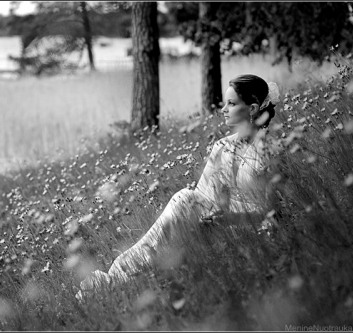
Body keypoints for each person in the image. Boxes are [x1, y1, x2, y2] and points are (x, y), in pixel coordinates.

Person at [76, 74, 280, 299]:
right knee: (185, 199)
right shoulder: (221, 146)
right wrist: (212, 216)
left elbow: (272, 212)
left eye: (231, 104)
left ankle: (118, 278)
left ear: (251, 109)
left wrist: (230, 217)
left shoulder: (269, 150)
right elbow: (203, 196)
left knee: (183, 205)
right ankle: (122, 275)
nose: (223, 109)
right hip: (217, 225)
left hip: (249, 229)